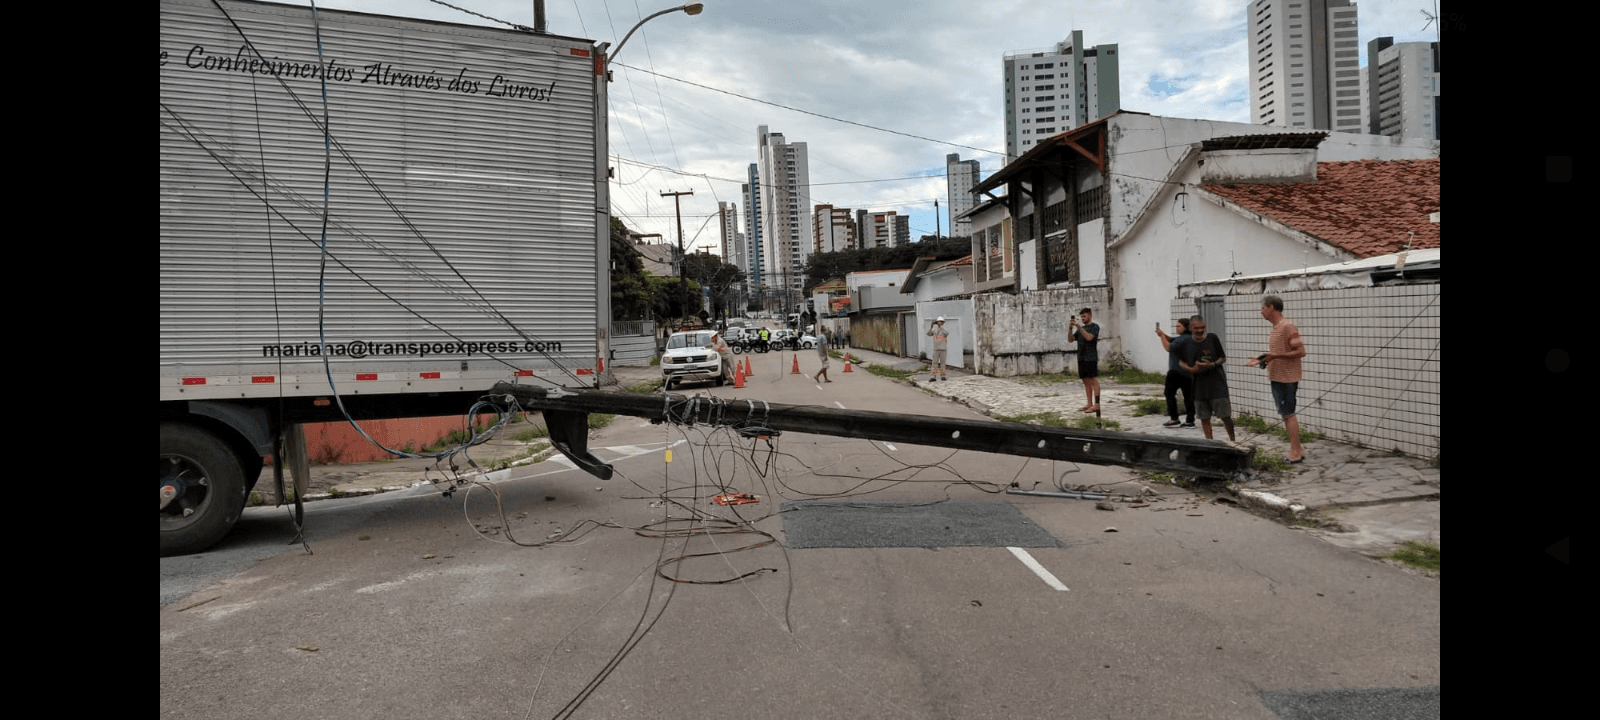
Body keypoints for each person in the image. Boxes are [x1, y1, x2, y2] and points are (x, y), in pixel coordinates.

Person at [1246, 295, 1308, 463]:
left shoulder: (1287, 326)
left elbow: (1300, 351)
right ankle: (1297, 449)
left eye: (1263, 308)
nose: (1261, 312)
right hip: (1277, 377)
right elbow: (1278, 354)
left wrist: (1275, 355)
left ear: (1270, 307)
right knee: (1286, 414)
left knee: (1288, 414)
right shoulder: (1276, 328)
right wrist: (1263, 359)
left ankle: (1296, 451)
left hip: (1287, 378)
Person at [1178, 315, 1235, 442]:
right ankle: (1210, 442)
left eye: (1202, 327)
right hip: (1198, 386)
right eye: (1196, 328)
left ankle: (1233, 440)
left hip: (1217, 385)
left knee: (1225, 416)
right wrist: (1192, 369)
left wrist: (1212, 364)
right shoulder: (1186, 342)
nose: (1200, 330)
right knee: (1204, 418)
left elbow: (1223, 358)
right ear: (1191, 328)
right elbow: (1181, 362)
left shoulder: (1212, 338)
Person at [1156, 318, 1196, 428]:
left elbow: (1168, 347)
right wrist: (1162, 334)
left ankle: (1174, 418)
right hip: (1188, 372)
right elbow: (1172, 340)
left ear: (1186, 327)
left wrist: (1162, 337)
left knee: (1169, 393)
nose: (1176, 328)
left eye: (1179, 326)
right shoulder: (1189, 339)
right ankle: (1190, 420)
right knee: (1188, 396)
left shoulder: (1183, 339)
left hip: (1176, 371)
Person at [1068, 308, 1101, 412]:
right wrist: (1070, 328)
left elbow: (1089, 338)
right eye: (1081, 316)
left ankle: (1097, 404)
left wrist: (1079, 326)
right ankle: (1089, 403)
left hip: (1091, 357)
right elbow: (1070, 339)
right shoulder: (1080, 329)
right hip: (1081, 357)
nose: (1082, 318)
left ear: (1090, 316)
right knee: (1085, 381)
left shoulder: (1094, 327)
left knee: (1093, 380)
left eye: (1084, 316)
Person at [927, 317, 950, 382]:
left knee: (943, 363)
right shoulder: (934, 329)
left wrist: (941, 327)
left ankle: (943, 376)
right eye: (939, 321)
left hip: (943, 348)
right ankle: (933, 376)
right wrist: (931, 326)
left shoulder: (944, 329)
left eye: (941, 322)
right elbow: (929, 334)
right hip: (936, 348)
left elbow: (946, 333)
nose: (940, 323)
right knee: (934, 363)